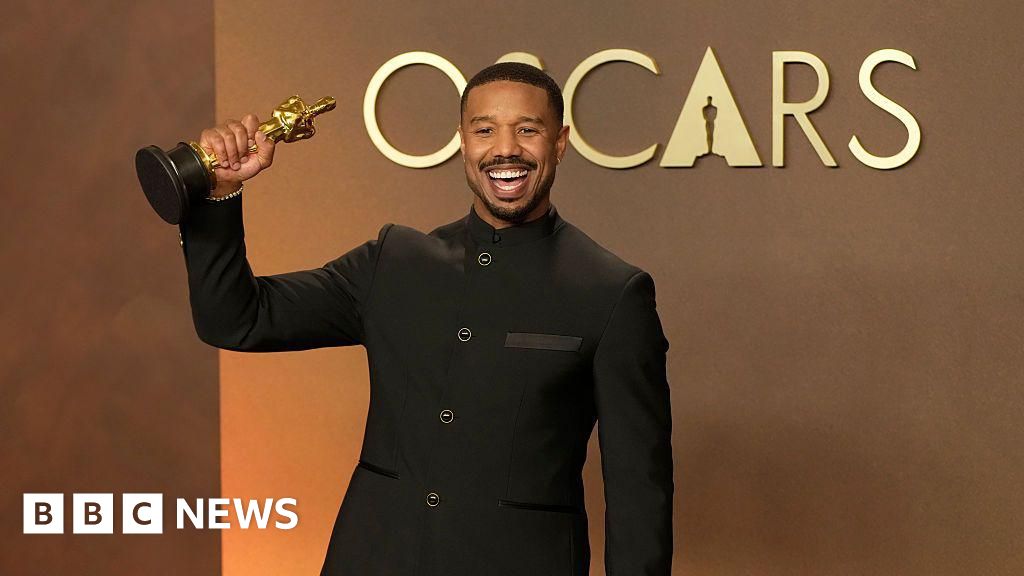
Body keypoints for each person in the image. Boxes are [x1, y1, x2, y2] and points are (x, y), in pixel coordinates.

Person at [179, 62, 673, 576]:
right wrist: (220, 194)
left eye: (527, 130)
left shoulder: (612, 292)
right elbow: (236, 319)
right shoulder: (393, 263)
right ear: (463, 142)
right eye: (485, 130)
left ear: (561, 143)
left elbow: (640, 489)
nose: (505, 149)